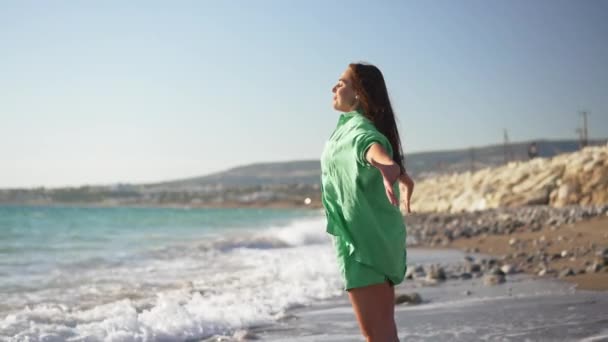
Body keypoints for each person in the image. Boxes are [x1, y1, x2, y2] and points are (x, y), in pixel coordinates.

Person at [321, 62, 415, 342]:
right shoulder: (349, 127)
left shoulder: (359, 130)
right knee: (381, 332)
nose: (334, 87)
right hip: (366, 237)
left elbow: (370, 148)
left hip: (362, 245)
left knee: (377, 335)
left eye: (342, 82)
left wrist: (389, 167)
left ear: (359, 93)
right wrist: (395, 170)